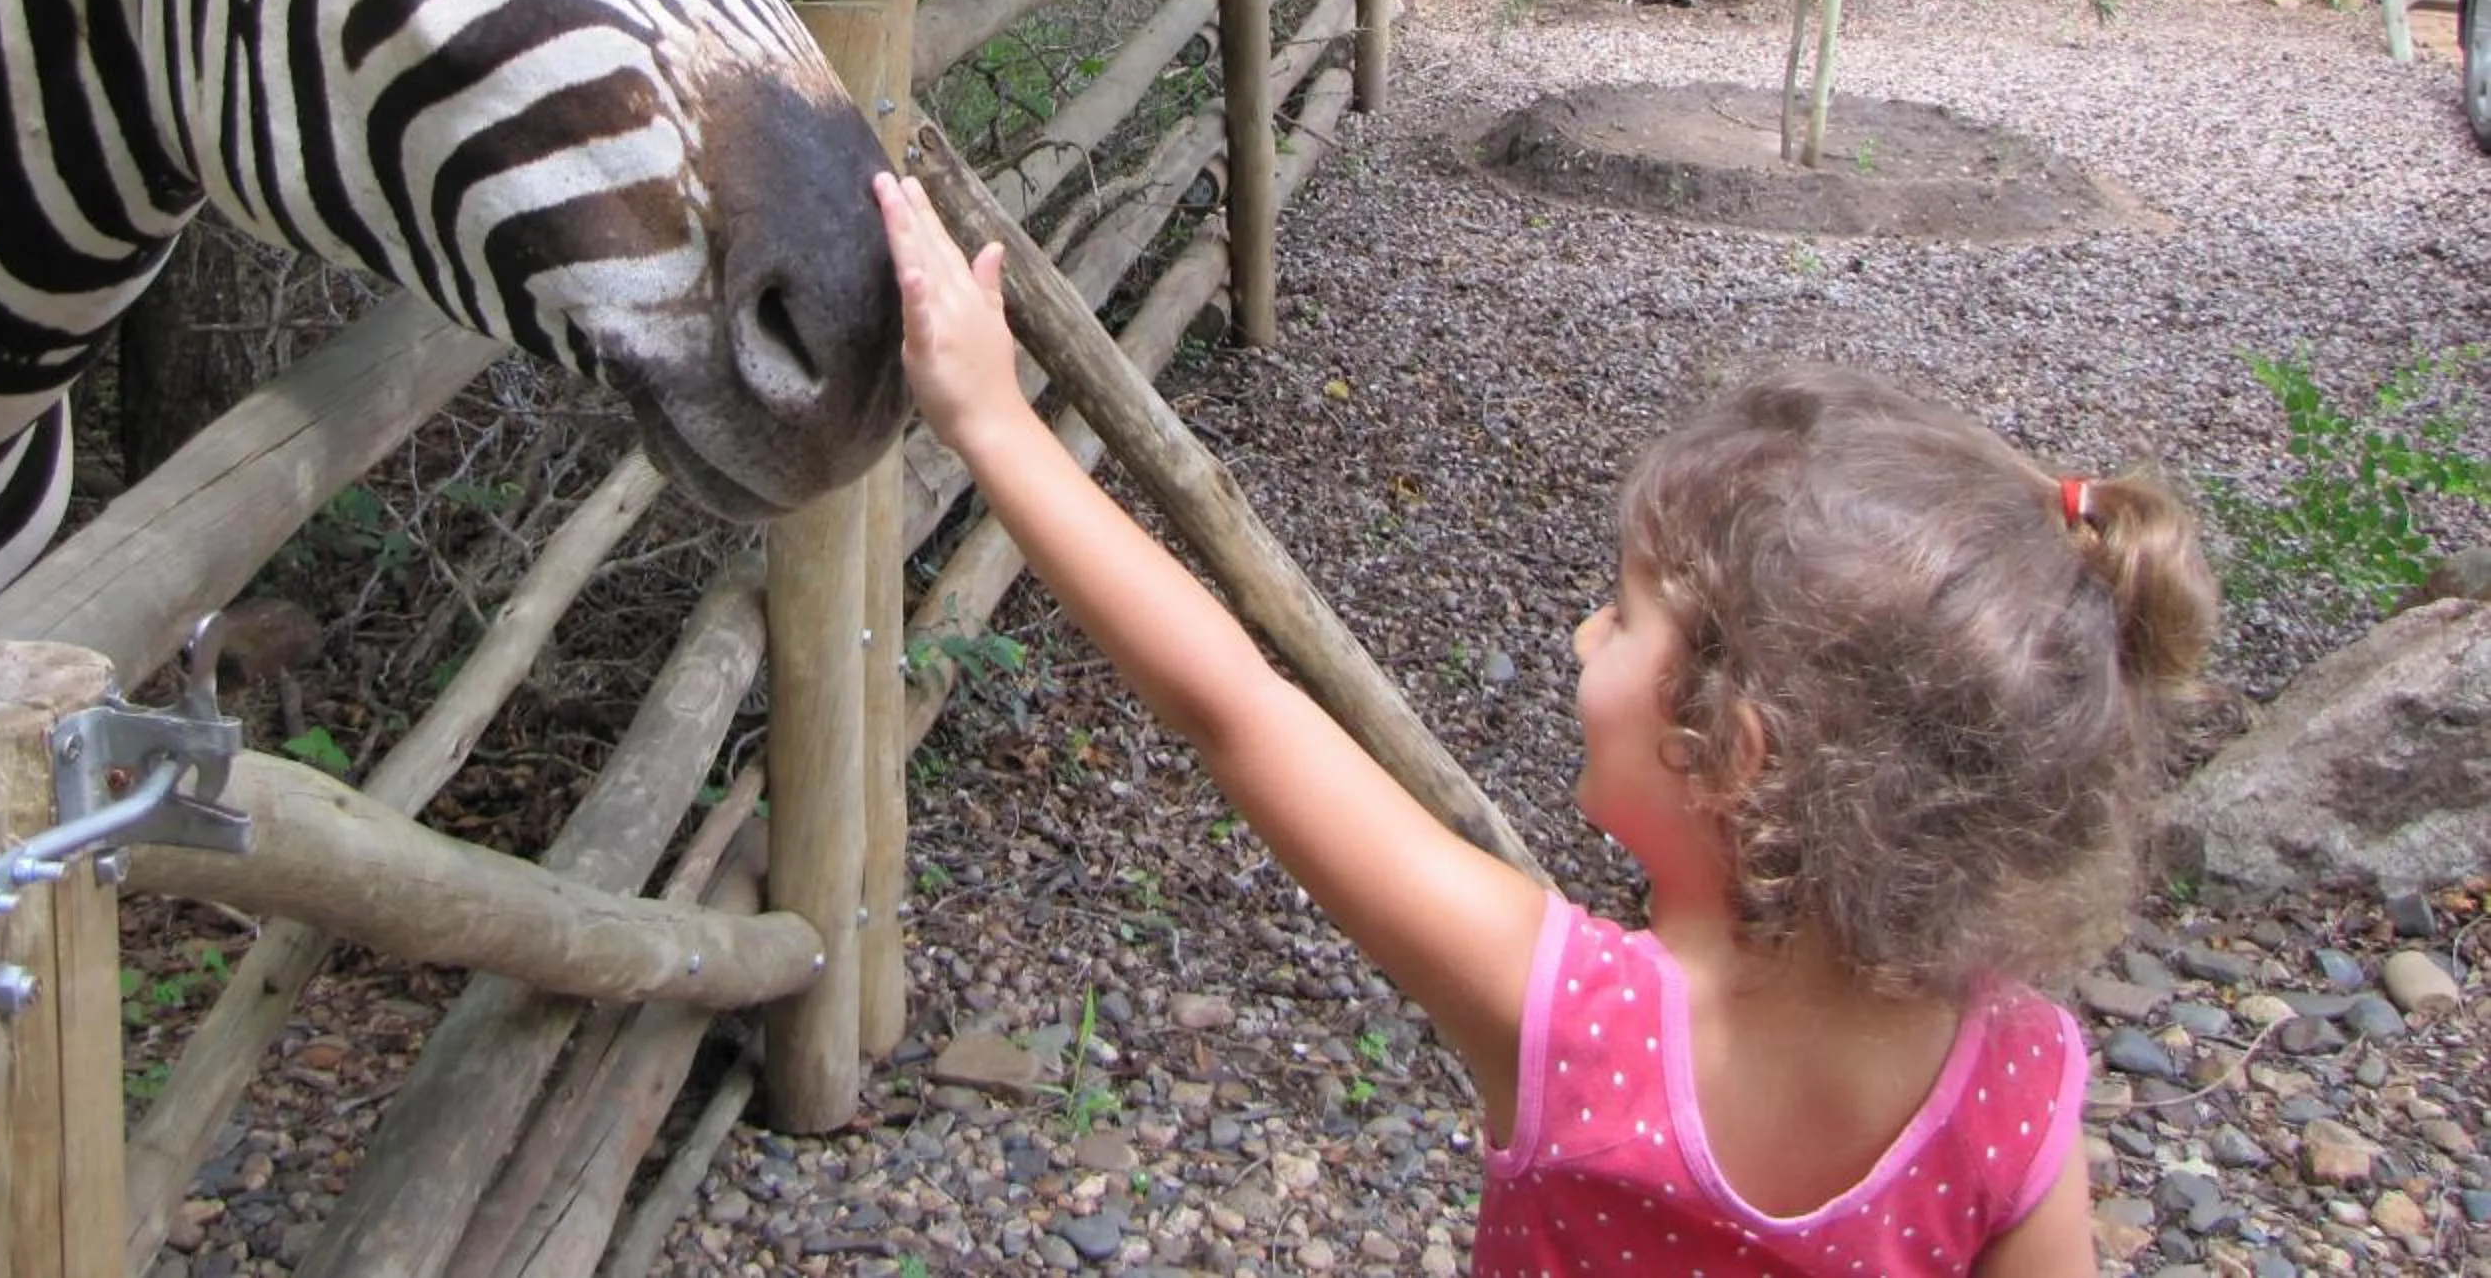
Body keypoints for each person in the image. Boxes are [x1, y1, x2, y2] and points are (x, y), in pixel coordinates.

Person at [871, 168, 2219, 1276]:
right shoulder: (2015, 1084)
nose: (1582, 635)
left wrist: (993, 419)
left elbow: (1237, 707)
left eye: (1623, 619)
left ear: (1734, 750)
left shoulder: (1575, 1022)